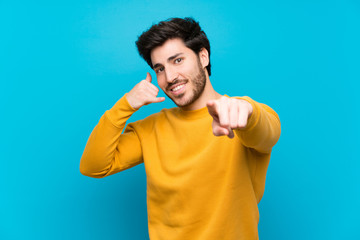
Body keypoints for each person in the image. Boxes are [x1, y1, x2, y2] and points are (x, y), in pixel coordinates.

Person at [80, 17, 281, 240]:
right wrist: (125, 105)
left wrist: (247, 110)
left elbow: (268, 133)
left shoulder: (239, 114)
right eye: (160, 69)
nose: (169, 77)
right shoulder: (150, 129)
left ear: (203, 56)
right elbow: (93, 166)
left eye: (177, 60)